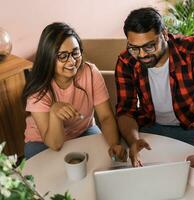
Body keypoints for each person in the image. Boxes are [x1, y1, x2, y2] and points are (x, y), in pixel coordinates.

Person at [115, 7, 194, 194]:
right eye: (134, 48)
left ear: (164, 34)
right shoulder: (126, 61)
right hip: (150, 127)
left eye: (149, 46)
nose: (142, 55)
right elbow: (125, 110)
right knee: (138, 182)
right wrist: (134, 140)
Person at [22, 22, 127, 161]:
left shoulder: (90, 72)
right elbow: (55, 144)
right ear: (48, 57)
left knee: (104, 162)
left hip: (84, 131)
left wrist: (115, 144)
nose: (72, 61)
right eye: (63, 56)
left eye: (75, 53)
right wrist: (55, 114)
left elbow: (106, 117)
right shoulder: (38, 89)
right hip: (42, 141)